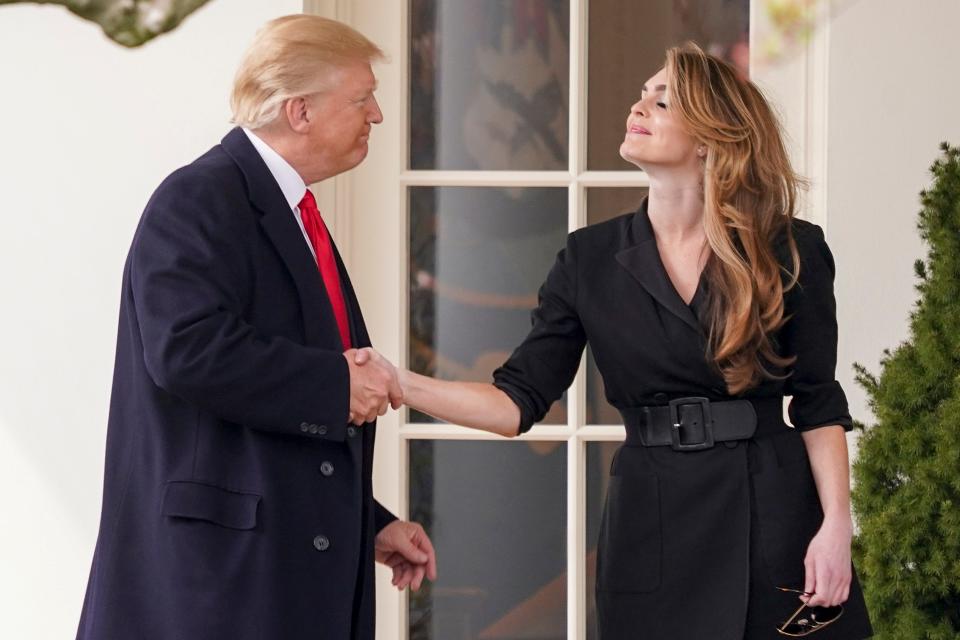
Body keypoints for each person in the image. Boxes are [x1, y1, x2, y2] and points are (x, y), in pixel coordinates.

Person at [357, 44, 873, 639]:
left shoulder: (789, 248)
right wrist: (399, 381)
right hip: (652, 526)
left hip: (774, 515)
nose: (639, 105)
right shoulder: (589, 259)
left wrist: (836, 526)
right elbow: (514, 403)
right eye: (642, 93)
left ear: (710, 137)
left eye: (664, 99)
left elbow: (818, 404)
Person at [76, 15, 435, 640]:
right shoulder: (198, 198)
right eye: (361, 98)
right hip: (217, 587)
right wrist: (335, 386)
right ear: (300, 112)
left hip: (272, 574)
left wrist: (366, 521)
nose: (376, 115)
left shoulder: (291, 209)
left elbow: (265, 417)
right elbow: (187, 351)